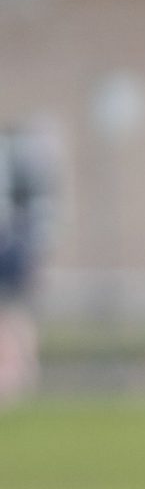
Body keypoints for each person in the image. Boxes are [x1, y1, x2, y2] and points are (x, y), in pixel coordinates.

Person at [0, 139, 42, 405]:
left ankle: (20, 380)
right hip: (10, 292)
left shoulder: (20, 230)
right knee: (14, 336)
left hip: (13, 292)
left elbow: (24, 264)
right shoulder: (18, 230)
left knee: (17, 335)